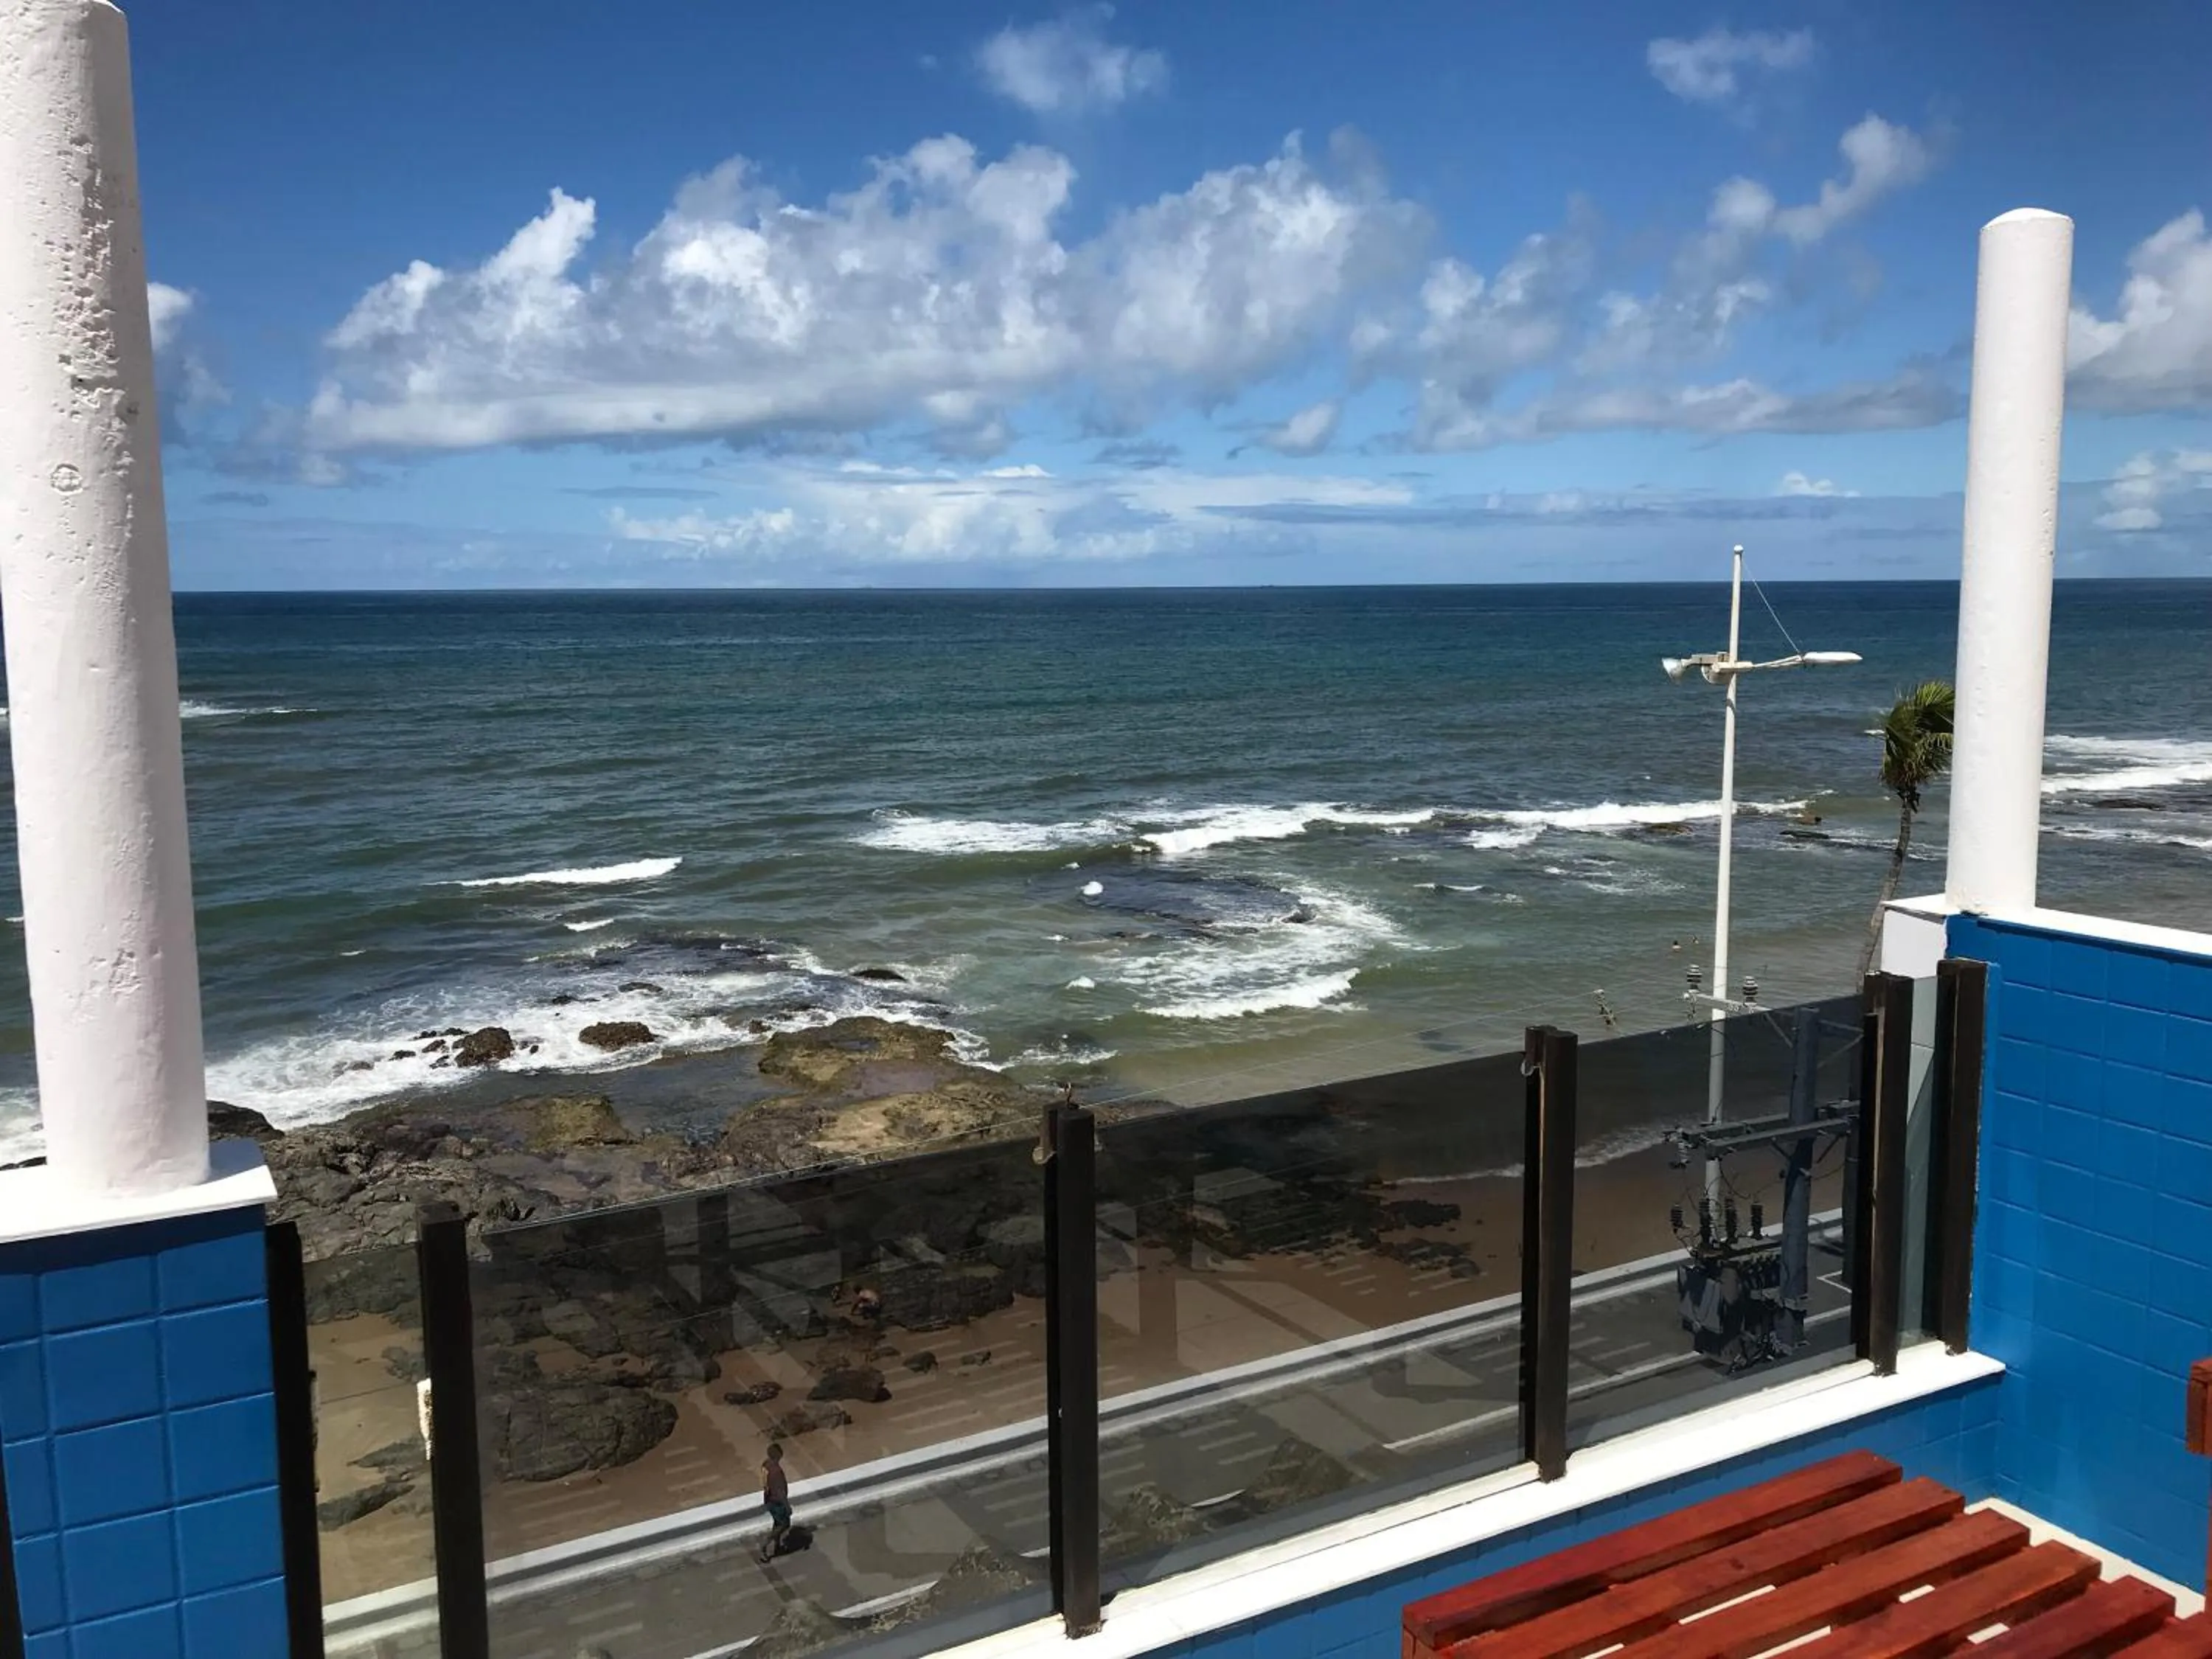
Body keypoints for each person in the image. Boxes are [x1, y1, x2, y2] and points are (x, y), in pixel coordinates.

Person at [758, 1442, 793, 1562]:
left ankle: (777, 1546)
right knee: (784, 1524)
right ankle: (765, 1544)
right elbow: (780, 1492)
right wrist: (787, 1506)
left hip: (768, 1499)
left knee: (777, 1523)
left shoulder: (766, 1465)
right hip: (777, 1502)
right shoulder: (776, 1471)